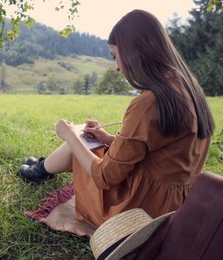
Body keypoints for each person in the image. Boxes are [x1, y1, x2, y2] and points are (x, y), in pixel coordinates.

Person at [17, 9, 215, 227]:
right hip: (174, 201)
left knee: (81, 142)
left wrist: (70, 135)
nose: (118, 67)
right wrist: (108, 138)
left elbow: (105, 176)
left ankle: (39, 172)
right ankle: (43, 168)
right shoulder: (187, 88)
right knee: (93, 142)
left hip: (139, 210)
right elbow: (157, 149)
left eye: (115, 56)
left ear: (134, 53)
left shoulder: (149, 102)